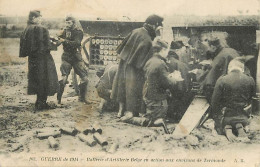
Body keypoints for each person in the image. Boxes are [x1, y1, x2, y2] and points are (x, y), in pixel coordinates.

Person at [111, 14, 164, 118]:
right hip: (135, 68)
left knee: (121, 86)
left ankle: (120, 110)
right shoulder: (148, 40)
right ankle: (131, 111)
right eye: (158, 27)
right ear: (154, 26)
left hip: (124, 64)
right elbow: (145, 63)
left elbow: (122, 48)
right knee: (133, 88)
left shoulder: (135, 31)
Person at [19, 10, 59, 110]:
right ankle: (42, 103)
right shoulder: (40, 28)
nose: (41, 19)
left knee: (37, 80)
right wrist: (56, 43)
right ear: (34, 18)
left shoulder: (27, 29)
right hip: (43, 59)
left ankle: (38, 102)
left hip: (33, 59)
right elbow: (45, 46)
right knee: (46, 79)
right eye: (39, 17)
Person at [211, 56, 255, 142]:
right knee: (241, 118)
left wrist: (217, 117)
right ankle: (239, 126)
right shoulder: (250, 80)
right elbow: (251, 99)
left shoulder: (222, 79)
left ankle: (227, 127)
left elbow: (214, 102)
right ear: (242, 69)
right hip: (243, 116)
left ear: (229, 69)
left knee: (223, 121)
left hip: (226, 116)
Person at [57, 15, 89, 104]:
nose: (67, 24)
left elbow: (77, 43)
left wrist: (64, 41)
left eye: (69, 22)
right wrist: (55, 39)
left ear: (73, 23)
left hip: (76, 57)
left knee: (85, 79)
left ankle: (82, 98)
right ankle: (58, 100)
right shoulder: (64, 31)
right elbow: (58, 41)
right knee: (63, 79)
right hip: (66, 57)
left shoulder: (78, 32)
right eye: (66, 22)